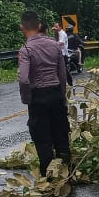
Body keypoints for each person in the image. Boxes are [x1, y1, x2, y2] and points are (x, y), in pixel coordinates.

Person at [18, 11, 71, 176]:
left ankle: (48, 177)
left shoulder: (26, 50)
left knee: (42, 138)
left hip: (38, 96)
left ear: (22, 28)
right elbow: (62, 75)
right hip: (55, 92)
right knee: (61, 133)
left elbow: (24, 79)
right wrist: (61, 95)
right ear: (39, 25)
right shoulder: (55, 45)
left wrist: (27, 99)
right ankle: (68, 172)